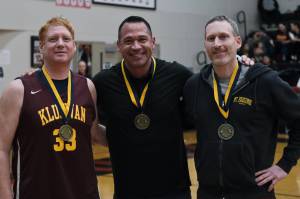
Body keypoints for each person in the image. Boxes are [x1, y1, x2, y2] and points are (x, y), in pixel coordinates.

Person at [183, 15, 300, 199]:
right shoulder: (194, 85)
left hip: (254, 192)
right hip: (208, 193)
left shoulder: (264, 81)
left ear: (238, 42)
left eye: (223, 36)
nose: (217, 43)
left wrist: (285, 164)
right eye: (210, 38)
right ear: (205, 45)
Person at [0, 17, 106, 199]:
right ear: (41, 47)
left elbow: (94, 134)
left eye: (66, 39)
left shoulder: (88, 87)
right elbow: (1, 148)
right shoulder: (18, 89)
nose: (60, 44)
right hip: (35, 192)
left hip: (84, 192)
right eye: (52, 39)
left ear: (74, 46)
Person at [92, 16, 192, 199]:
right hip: (128, 191)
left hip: (174, 191)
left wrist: (242, 66)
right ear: (119, 45)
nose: (136, 46)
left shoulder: (178, 75)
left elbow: (214, 87)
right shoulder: (102, 82)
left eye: (142, 39)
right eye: (128, 41)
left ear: (152, 42)